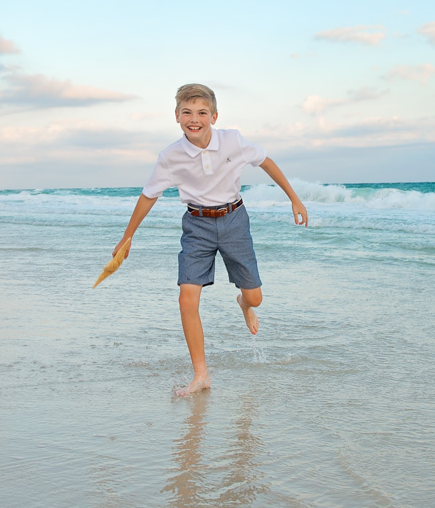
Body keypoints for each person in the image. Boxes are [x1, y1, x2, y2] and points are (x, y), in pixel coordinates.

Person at [113, 83, 308, 396]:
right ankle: (201, 375)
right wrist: (128, 236)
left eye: (202, 112)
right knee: (186, 297)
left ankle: (244, 305)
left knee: (255, 297)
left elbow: (266, 162)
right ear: (177, 116)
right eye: (187, 112)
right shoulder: (170, 156)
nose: (195, 118)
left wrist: (294, 199)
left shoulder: (232, 141)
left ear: (214, 115)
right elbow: (149, 195)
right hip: (196, 226)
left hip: (234, 220)